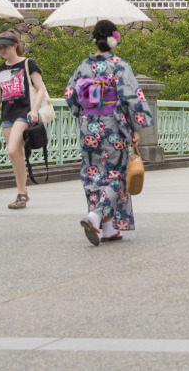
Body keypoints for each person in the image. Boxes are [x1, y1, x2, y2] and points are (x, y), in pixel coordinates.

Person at [65, 19, 155, 246]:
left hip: (88, 127)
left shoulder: (82, 67)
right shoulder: (119, 65)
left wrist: (84, 113)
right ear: (114, 39)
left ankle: (107, 229)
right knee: (116, 175)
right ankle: (95, 216)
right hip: (113, 126)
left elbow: (70, 96)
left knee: (93, 173)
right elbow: (131, 97)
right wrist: (136, 128)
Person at [0, 28, 50, 210]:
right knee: (16, 154)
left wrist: (34, 110)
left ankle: (22, 192)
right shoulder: (0, 69)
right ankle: (22, 193)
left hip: (24, 112)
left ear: (14, 46)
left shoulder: (28, 64)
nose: (2, 50)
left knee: (12, 151)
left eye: (5, 47)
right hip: (7, 114)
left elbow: (40, 89)